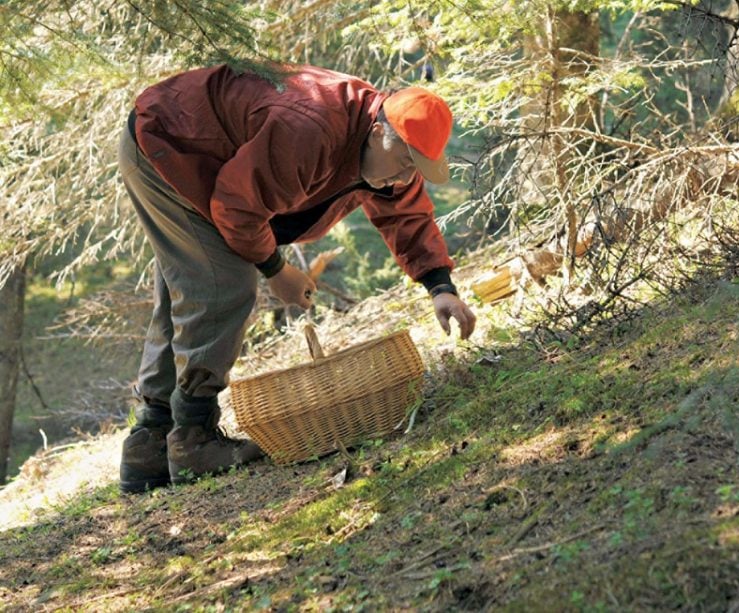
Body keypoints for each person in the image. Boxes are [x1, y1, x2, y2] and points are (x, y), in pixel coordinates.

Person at [118, 61, 477, 494]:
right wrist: (276, 270)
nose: (404, 177)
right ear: (381, 130)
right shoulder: (311, 127)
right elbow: (237, 207)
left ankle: (150, 441)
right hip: (168, 144)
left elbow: (407, 216)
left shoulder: (385, 158)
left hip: (200, 156)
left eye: (415, 169)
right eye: (404, 161)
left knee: (190, 285)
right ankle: (193, 438)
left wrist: (440, 287)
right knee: (221, 284)